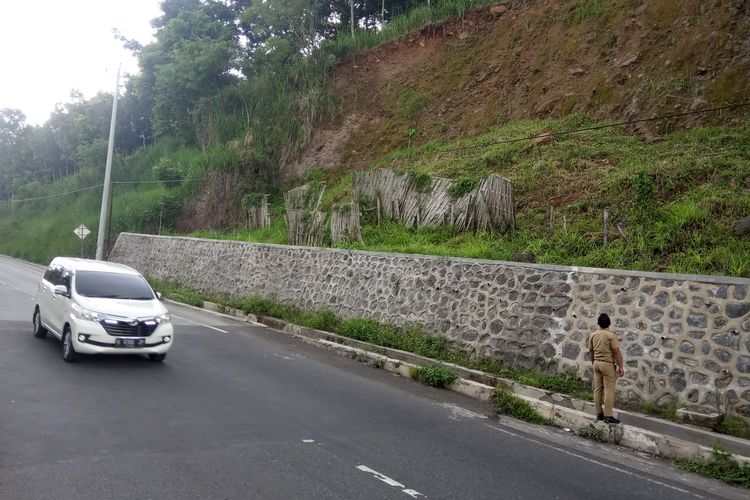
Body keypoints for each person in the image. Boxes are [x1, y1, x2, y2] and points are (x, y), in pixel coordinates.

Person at [589, 313, 624, 424]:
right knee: (609, 390)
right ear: (609, 323)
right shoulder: (611, 336)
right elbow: (616, 352)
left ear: (598, 323)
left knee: (597, 389)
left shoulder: (593, 335)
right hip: (607, 364)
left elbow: (591, 351)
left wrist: (593, 362)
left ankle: (599, 414)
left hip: (596, 363)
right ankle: (608, 416)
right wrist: (621, 366)